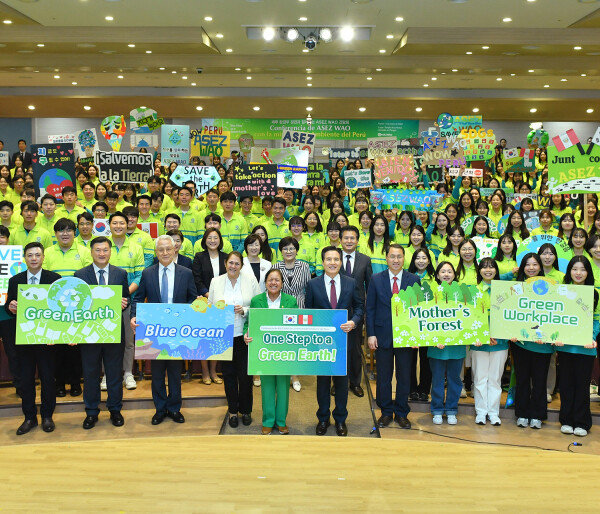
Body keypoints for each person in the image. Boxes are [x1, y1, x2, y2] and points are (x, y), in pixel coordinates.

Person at [131, 235, 198, 425]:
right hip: (155, 333)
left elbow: (193, 299)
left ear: (175, 249)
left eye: (168, 249)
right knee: (157, 373)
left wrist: (185, 314)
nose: (165, 252)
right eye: (161, 249)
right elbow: (138, 299)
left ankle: (175, 408)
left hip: (177, 332)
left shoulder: (186, 273)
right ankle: (160, 409)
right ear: (156, 252)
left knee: (175, 373)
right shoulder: (147, 273)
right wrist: (134, 316)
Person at [305, 246, 364, 437]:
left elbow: (359, 307)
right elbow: (308, 312)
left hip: (344, 341)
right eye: (328, 259)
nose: (332, 263)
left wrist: (353, 322)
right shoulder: (313, 284)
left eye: (336, 259)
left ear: (341, 262)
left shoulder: (351, 282)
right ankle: (323, 418)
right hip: (321, 343)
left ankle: (340, 419)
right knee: (322, 383)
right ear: (322, 262)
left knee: (341, 383)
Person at [74, 237, 130, 430]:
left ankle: (115, 409)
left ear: (110, 252)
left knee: (114, 373)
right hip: (89, 333)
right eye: (97, 250)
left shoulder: (120, 273)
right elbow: (77, 303)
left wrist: (123, 303)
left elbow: (126, 299)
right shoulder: (80, 275)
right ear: (91, 252)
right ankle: (91, 412)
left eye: (105, 250)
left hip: (113, 331)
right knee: (90, 374)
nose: (101, 253)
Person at [4, 242, 61, 435]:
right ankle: (29, 417)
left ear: (43, 257)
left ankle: (47, 416)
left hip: (48, 338)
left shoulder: (54, 279)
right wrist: (11, 307)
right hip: (25, 338)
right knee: (26, 380)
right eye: (30, 255)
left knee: (48, 378)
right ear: (24, 258)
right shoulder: (15, 280)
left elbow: (61, 309)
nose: (34, 258)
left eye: (37, 255)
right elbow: (9, 307)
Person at [366, 244, 420, 429]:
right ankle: (386, 412)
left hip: (406, 337)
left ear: (404, 258)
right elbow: (370, 309)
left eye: (399, 256)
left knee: (405, 377)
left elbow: (418, 310)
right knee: (383, 377)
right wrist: (371, 334)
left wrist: (416, 335)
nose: (395, 260)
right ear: (386, 258)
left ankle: (402, 413)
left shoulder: (414, 279)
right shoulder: (376, 279)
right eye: (392, 256)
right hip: (382, 336)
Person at [209, 252, 261, 428]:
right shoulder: (216, 281)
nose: (233, 266)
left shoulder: (250, 280)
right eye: (230, 263)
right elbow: (210, 307)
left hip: (244, 335)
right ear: (225, 263)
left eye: (237, 263)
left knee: (245, 376)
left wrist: (244, 310)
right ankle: (232, 411)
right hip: (224, 336)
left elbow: (259, 305)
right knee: (229, 376)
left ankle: (246, 410)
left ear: (241, 266)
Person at [244, 268, 298, 435]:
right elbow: (249, 323)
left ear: (282, 284)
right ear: (265, 282)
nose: (273, 283)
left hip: (284, 352)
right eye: (270, 280)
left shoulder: (290, 301)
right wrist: (246, 333)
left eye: (277, 280)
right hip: (264, 351)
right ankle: (268, 421)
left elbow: (297, 326)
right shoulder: (256, 300)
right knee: (267, 387)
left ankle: (281, 421)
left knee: (283, 387)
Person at [44, 217, 92, 397]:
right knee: (56, 347)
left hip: (78, 306)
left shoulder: (84, 252)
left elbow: (88, 277)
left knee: (75, 347)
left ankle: (75, 382)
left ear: (74, 233)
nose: (65, 234)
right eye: (61, 230)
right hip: (54, 307)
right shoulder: (47, 252)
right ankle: (59, 383)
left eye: (69, 230)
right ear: (55, 234)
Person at [555, 257, 598, 437]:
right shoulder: (561, 292)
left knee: (582, 386)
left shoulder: (594, 293)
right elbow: (555, 316)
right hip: (565, 347)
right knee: (566, 385)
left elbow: (596, 320)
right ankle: (566, 420)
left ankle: (582, 422)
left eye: (582, 269)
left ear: (588, 272)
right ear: (569, 271)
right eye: (574, 269)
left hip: (585, 348)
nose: (578, 273)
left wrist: (592, 337)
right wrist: (555, 335)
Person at [511, 252, 553, 429]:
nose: (531, 268)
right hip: (520, 343)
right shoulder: (515, 287)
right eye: (527, 264)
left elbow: (555, 315)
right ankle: (522, 413)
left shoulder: (551, 287)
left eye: (535, 264)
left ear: (540, 267)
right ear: (522, 267)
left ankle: (537, 414)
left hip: (543, 345)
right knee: (521, 379)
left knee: (539, 381)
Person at [471, 258, 508, 426]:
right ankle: (480, 412)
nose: (488, 270)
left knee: (495, 379)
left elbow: (508, 317)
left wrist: (498, 336)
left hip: (500, 343)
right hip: (479, 343)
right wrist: (483, 336)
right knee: (479, 379)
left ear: (496, 270)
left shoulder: (505, 291)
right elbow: (470, 318)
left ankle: (493, 413)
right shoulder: (473, 291)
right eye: (484, 267)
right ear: (479, 271)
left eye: (491, 267)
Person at [428, 261, 466, 425]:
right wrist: (434, 338)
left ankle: (451, 410)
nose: (446, 274)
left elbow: (468, 319)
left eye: (449, 271)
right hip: (436, 347)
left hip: (456, 346)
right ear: (437, 275)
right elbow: (425, 320)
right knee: (437, 379)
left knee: (454, 380)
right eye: (442, 271)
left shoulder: (462, 293)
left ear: (454, 275)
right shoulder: (430, 294)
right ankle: (437, 409)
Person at [191, 228, 228, 385]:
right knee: (204, 339)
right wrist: (209, 296)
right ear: (205, 240)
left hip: (222, 304)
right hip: (204, 303)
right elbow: (196, 279)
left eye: (215, 237)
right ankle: (205, 371)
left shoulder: (226, 257)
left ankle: (213, 371)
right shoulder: (199, 257)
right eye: (210, 238)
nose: (213, 241)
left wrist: (218, 299)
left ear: (220, 240)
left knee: (217, 338)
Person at [339, 225, 372, 397]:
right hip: (337, 309)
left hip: (357, 311)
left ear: (357, 241)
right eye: (346, 238)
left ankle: (355, 382)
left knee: (356, 349)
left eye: (352, 238)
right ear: (340, 240)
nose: (349, 241)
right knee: (337, 348)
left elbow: (370, 286)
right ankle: (338, 382)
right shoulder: (333, 257)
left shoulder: (365, 260)